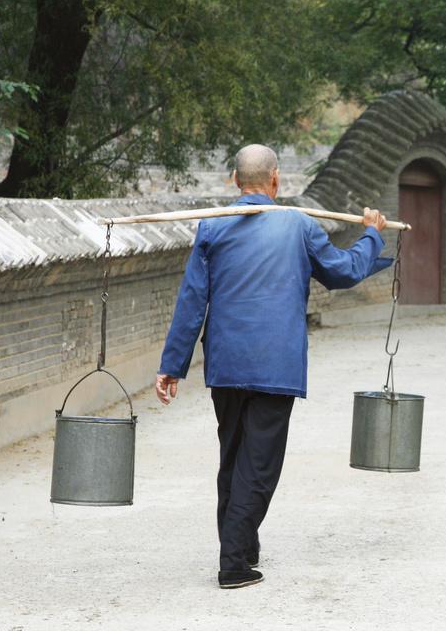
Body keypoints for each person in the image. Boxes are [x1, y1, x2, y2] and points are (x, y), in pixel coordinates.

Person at [154, 144, 391, 589]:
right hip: (274, 364)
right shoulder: (298, 225)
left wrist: (173, 365)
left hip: (225, 363)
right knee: (258, 464)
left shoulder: (213, 227)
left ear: (234, 180)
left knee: (234, 457)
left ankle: (243, 546)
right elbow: (341, 272)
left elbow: (191, 301)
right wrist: (372, 234)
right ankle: (234, 566)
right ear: (276, 180)